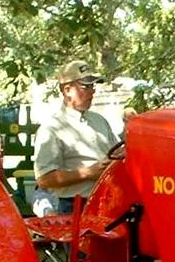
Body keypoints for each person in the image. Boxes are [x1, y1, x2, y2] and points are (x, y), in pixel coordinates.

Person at [33, 60, 118, 214]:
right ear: (67, 90)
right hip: (75, 206)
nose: (92, 92)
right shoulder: (52, 128)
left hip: (108, 201)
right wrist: (87, 173)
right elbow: (44, 179)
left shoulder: (99, 120)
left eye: (93, 86)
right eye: (86, 86)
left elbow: (115, 152)